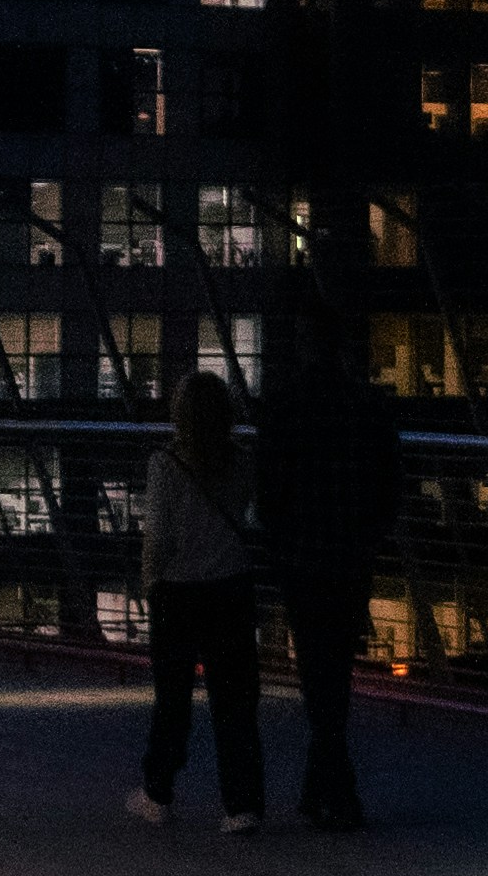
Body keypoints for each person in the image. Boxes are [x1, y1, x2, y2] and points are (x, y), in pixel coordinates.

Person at [252, 328, 405, 829]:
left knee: (315, 668)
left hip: (300, 556)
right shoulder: (369, 405)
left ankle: (332, 789)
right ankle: (328, 789)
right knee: (335, 668)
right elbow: (390, 483)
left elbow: (269, 486)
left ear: (301, 347)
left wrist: (278, 538)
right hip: (349, 554)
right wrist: (370, 535)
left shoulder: (282, 406)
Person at [129, 369, 267, 833]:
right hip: (231, 588)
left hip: (178, 594)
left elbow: (159, 538)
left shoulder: (165, 465)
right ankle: (242, 806)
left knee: (172, 700)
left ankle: (158, 793)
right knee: (235, 702)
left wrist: (149, 585)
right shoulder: (245, 462)